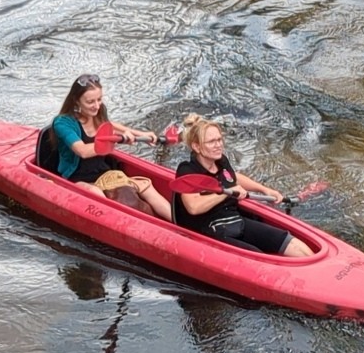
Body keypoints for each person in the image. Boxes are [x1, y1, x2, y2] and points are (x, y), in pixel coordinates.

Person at [173, 114, 313, 257]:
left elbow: (233, 178)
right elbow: (193, 207)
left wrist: (264, 189)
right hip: (209, 230)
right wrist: (226, 192)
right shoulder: (187, 171)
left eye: (220, 139)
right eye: (211, 142)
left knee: (291, 243)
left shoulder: (220, 161)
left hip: (234, 220)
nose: (218, 145)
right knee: (258, 257)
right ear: (196, 146)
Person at [51, 73, 172, 221]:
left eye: (99, 99)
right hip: (77, 178)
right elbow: (82, 151)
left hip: (103, 172)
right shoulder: (62, 123)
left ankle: (179, 225)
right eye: (90, 102)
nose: (96, 105)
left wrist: (139, 134)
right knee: (97, 195)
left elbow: (109, 125)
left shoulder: (98, 112)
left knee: (146, 186)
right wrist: (115, 141)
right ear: (76, 101)